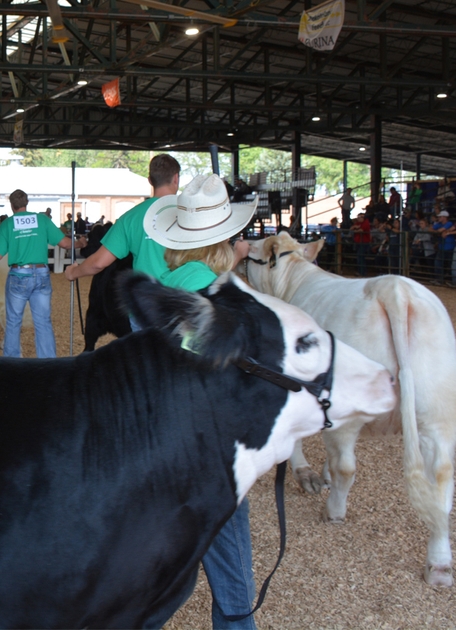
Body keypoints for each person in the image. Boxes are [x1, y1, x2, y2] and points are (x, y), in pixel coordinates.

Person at [143, 173, 259, 630]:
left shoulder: (164, 290)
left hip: (156, 452)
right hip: (211, 459)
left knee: (152, 581)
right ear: (227, 241)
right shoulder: (230, 300)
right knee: (233, 581)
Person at [65, 154, 182, 288]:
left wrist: (73, 272)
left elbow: (98, 263)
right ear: (176, 178)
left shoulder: (130, 217)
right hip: (186, 300)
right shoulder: (193, 214)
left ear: (150, 180)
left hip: (145, 301)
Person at [0, 189, 73, 358]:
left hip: (19, 275)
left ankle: (13, 364)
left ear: (12, 205)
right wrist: (81, 243)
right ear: (27, 203)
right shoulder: (42, 220)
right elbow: (66, 244)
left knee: (13, 322)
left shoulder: (7, 224)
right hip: (41, 274)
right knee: (43, 322)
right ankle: (48, 363)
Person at [431, 210, 454, 285]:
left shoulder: (449, 223)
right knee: (439, 263)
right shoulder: (439, 224)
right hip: (442, 247)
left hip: (449, 246)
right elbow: (430, 229)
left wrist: (438, 232)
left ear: (444, 217)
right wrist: (438, 232)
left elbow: (440, 230)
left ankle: (449, 280)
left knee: (449, 264)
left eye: (440, 217)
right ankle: (439, 280)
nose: (439, 218)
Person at [352, 211, 372, 277]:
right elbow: (352, 228)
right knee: (359, 257)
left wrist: (356, 229)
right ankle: (360, 271)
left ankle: (362, 272)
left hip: (364, 242)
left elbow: (361, 230)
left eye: (360, 217)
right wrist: (356, 228)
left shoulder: (366, 222)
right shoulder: (358, 223)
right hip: (358, 242)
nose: (358, 218)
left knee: (361, 257)